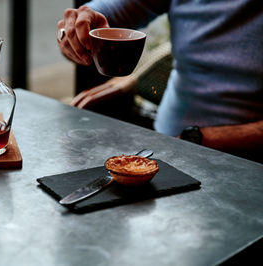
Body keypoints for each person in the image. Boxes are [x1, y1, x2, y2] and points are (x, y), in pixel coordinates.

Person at [56, 0, 263, 163]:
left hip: (246, 159)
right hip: (164, 144)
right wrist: (79, 26)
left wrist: (202, 139)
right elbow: (114, 8)